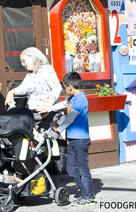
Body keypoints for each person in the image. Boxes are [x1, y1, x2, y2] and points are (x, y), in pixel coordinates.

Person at [50, 72, 94, 206]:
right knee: (71, 169)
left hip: (81, 140)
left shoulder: (80, 99)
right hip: (73, 140)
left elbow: (70, 119)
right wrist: (47, 109)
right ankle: (84, 191)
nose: (64, 90)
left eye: (64, 87)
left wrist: (58, 128)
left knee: (82, 169)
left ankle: (88, 196)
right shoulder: (73, 98)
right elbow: (63, 104)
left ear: (69, 86)